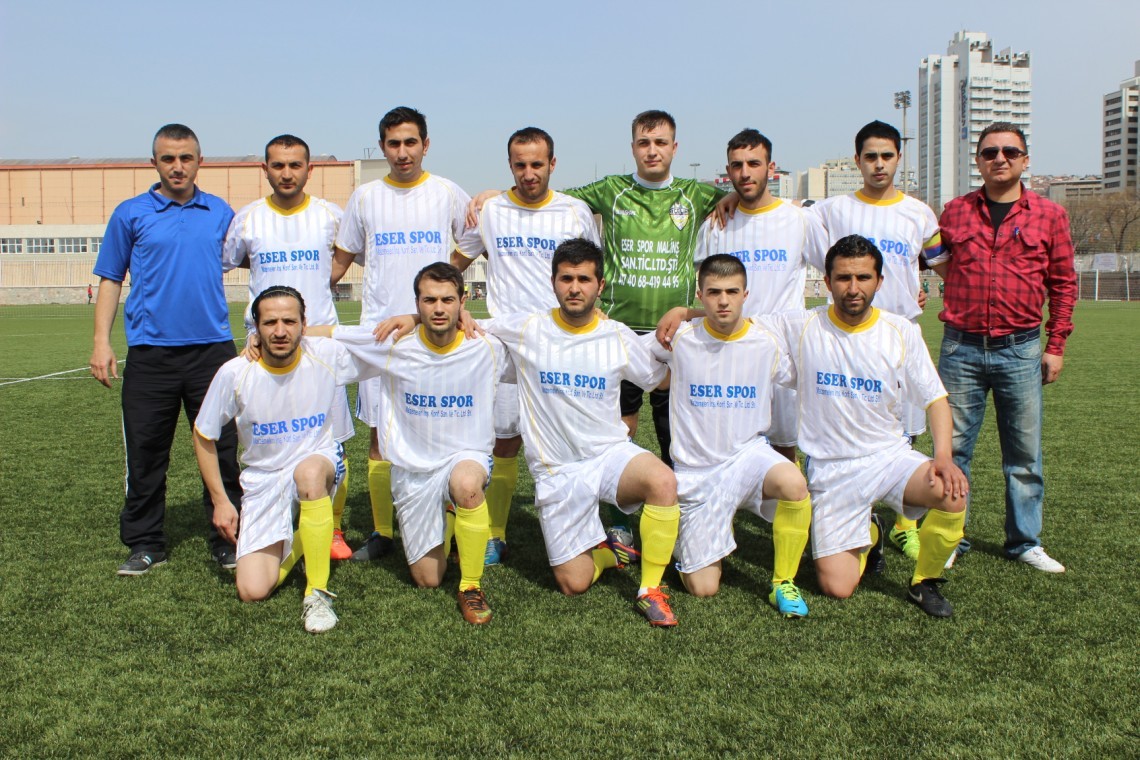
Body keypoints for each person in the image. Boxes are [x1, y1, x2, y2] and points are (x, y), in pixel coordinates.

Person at [481, 239, 681, 626]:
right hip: (557, 470)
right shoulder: (527, 328)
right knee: (573, 583)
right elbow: (461, 324)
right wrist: (413, 317)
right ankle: (607, 554)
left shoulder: (617, 334)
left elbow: (658, 379)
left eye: (584, 279)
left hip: (608, 455)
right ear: (553, 282)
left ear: (600, 286)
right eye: (566, 278)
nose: (575, 288)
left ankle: (650, 590)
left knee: (663, 481)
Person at [769, 235, 969, 616]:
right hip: (833, 469)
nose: (853, 288)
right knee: (837, 587)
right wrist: (685, 313)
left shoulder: (900, 330)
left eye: (863, 277)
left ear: (879, 281)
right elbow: (736, 324)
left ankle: (924, 582)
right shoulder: (802, 326)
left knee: (951, 491)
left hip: (888, 457)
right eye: (843, 278)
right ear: (827, 281)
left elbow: (935, 399)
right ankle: (872, 532)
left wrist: (943, 456)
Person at [331, 107, 484, 562]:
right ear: (383, 147)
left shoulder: (446, 192)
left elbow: (476, 238)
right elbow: (341, 258)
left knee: (446, 430)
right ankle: (383, 532)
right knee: (380, 436)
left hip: (435, 333)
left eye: (410, 142)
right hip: (382, 334)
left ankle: (451, 524)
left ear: (425, 145)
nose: (402, 152)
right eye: (394, 143)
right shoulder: (365, 197)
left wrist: (445, 285)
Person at [90, 123, 242, 576]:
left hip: (212, 352)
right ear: (154, 162)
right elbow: (111, 278)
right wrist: (101, 341)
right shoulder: (130, 213)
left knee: (224, 450)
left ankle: (228, 538)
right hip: (150, 354)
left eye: (186, 158)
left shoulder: (220, 212)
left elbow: (256, 256)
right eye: (168, 158)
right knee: (146, 452)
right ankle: (145, 543)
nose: (178, 166)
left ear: (199, 161)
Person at [927, 122, 1077, 573]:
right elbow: (932, 256)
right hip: (961, 348)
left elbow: (1063, 283)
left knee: (1024, 455)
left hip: (1021, 349)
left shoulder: (1050, 215)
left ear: (1025, 160)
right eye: (990, 152)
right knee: (953, 450)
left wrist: (1056, 344)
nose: (1000, 159)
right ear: (978, 161)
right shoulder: (955, 212)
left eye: (1010, 152)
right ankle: (950, 536)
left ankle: (1024, 542)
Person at [454, 126, 600, 566]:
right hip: (506, 345)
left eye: (538, 164)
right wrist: (453, 303)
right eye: (520, 165)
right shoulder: (492, 211)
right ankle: (495, 533)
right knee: (505, 442)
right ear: (510, 165)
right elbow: (455, 262)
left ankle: (584, 528)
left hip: (562, 343)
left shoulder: (574, 211)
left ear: (553, 164)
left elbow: (591, 272)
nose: (529, 173)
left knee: (572, 440)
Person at [338, 263, 510, 623]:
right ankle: (449, 516)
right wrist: (261, 334)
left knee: (466, 485)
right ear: (416, 303)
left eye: (448, 300)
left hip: (465, 457)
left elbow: (545, 332)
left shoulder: (486, 345)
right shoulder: (394, 344)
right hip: (414, 470)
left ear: (462, 302)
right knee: (428, 579)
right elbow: (330, 334)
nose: (439, 308)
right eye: (429, 300)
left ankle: (471, 586)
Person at [805, 120, 944, 562]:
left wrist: (921, 289)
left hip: (898, 337)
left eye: (887, 156)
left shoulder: (919, 213)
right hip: (846, 336)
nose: (879, 164)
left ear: (899, 158)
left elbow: (942, 263)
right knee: (852, 428)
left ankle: (904, 526)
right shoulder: (832, 209)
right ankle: (858, 518)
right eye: (870, 156)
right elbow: (784, 216)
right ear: (857, 161)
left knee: (903, 434)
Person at [648, 254, 813, 618]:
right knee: (703, 588)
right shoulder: (679, 338)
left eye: (732, 292)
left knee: (793, 482)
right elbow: (626, 356)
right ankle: (691, 536)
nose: (723, 301)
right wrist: (683, 313)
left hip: (747, 458)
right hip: (697, 473)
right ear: (700, 295)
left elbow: (806, 377)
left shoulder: (765, 342)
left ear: (745, 295)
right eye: (714, 292)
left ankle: (783, 582)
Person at [222, 134, 355, 561]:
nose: (286, 173)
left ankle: (333, 527)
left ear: (309, 170)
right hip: (264, 349)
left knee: (332, 440)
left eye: (295, 165)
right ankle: (274, 513)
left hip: (319, 346)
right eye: (278, 165)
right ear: (265, 170)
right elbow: (233, 259)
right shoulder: (248, 219)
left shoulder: (330, 215)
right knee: (270, 438)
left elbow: (347, 255)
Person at [193, 286, 351, 633]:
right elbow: (203, 434)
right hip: (264, 477)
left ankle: (317, 593)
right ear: (256, 328)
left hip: (318, 463)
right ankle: (306, 535)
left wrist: (421, 318)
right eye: (270, 323)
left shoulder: (327, 355)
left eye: (289, 322)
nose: (280, 331)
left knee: (309, 473)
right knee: (252, 590)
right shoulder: (235, 372)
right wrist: (220, 500)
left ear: (304, 324)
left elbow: (383, 339)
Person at [657, 129, 811, 463]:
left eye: (754, 163)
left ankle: (784, 495)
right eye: (737, 165)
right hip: (726, 353)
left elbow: (837, 269)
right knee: (723, 441)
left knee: (784, 445)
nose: (745, 173)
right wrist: (688, 313)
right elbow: (708, 291)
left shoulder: (800, 220)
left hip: (779, 351)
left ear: (771, 168)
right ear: (728, 171)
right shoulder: (716, 224)